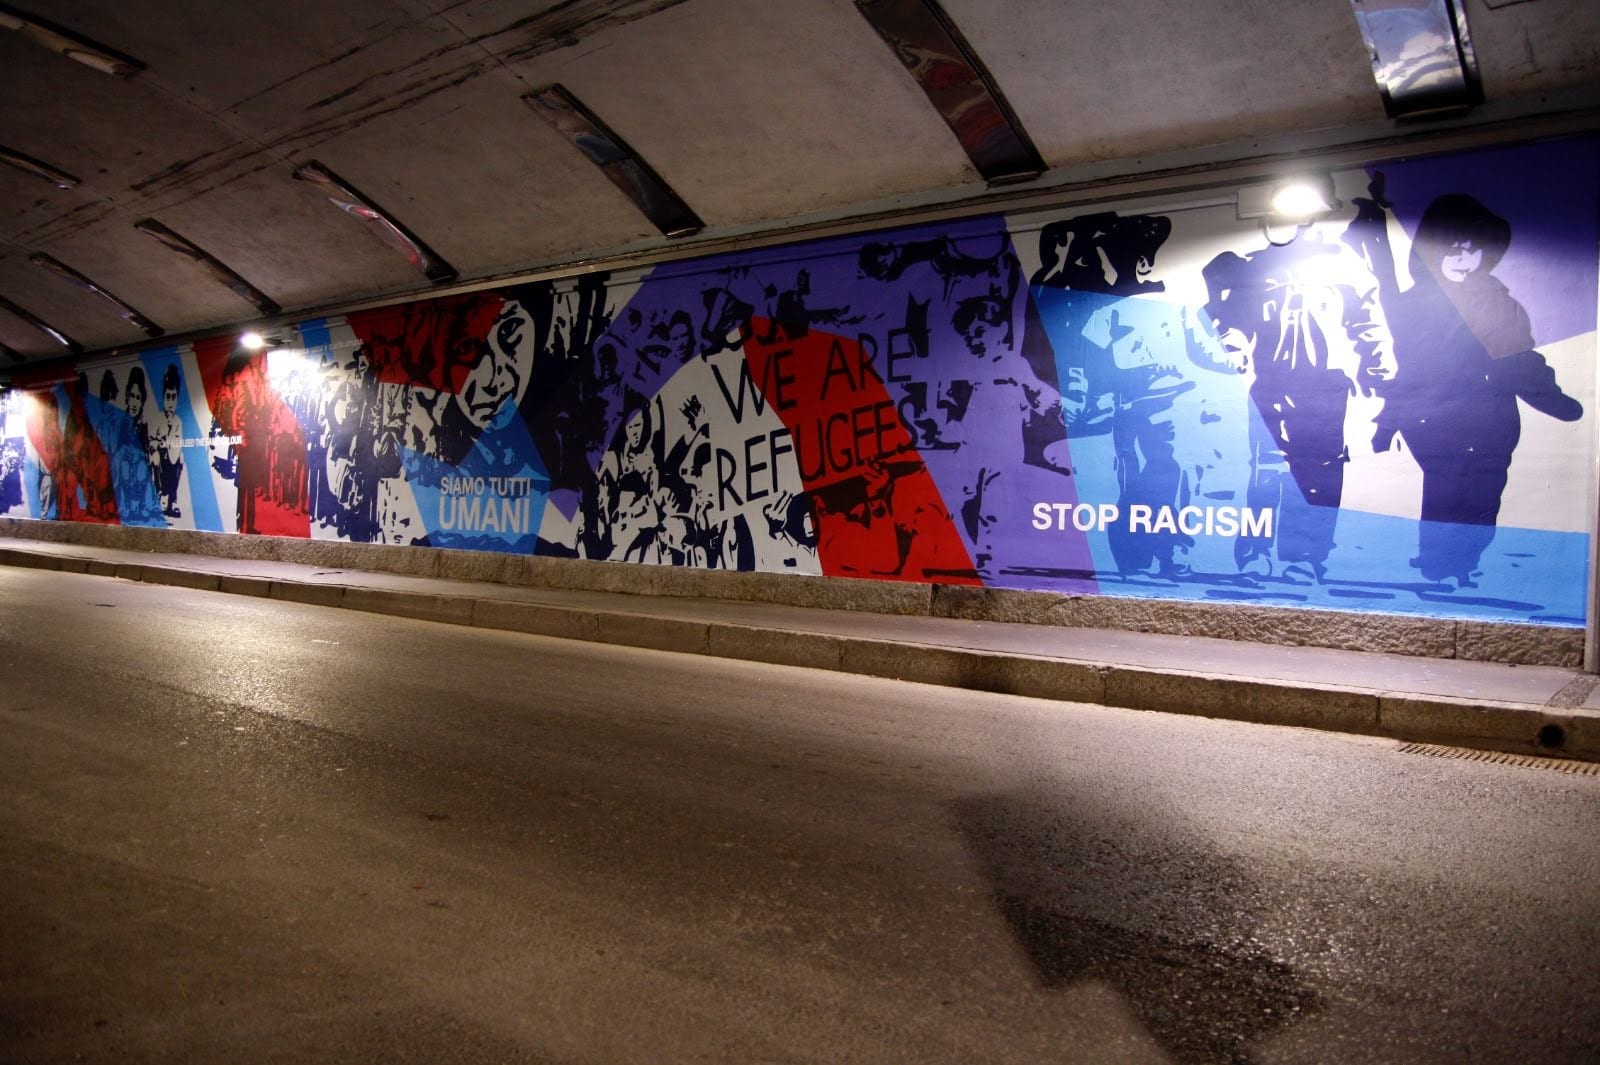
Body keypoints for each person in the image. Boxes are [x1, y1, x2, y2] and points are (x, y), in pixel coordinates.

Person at [1375, 193, 1582, 586]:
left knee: (1486, 494)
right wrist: (1390, 422)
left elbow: (1520, 357)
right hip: (1437, 420)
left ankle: (1464, 563)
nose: (1463, 258)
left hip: (1493, 421)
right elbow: (1411, 366)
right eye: (1453, 248)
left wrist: (1552, 398)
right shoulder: (1415, 303)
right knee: (1447, 491)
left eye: (1472, 249)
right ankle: (1437, 567)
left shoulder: (1500, 301)